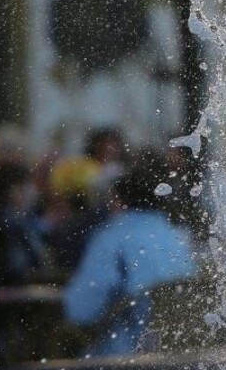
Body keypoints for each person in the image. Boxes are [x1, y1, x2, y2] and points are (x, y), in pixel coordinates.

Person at [64, 151, 195, 356]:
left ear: (117, 200)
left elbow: (81, 310)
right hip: (179, 350)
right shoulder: (174, 235)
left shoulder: (111, 238)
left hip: (125, 353)